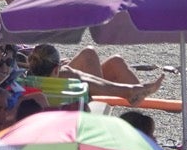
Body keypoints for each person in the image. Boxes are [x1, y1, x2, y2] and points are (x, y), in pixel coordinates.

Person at [23, 43, 164, 106]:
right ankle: (130, 92)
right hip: (58, 89)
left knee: (115, 61)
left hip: (43, 77)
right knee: (79, 65)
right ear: (55, 70)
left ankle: (133, 91)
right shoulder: (64, 75)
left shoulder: (19, 80)